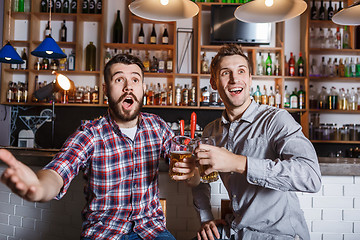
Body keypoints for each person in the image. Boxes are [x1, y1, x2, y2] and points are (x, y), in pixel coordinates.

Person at [0, 54, 193, 240]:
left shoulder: (157, 126)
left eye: (135, 80)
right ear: (105, 89)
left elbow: (189, 166)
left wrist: (195, 170)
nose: (128, 87)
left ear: (143, 88)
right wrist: (39, 187)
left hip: (152, 231)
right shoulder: (91, 133)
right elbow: (59, 170)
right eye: (119, 80)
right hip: (104, 233)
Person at [188, 44, 322, 240]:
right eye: (226, 73)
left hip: (279, 235)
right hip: (235, 231)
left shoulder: (276, 120)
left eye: (241, 71)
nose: (235, 79)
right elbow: (200, 179)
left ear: (250, 79)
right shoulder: (212, 131)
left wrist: (238, 162)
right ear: (214, 83)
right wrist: (206, 217)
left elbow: (310, 177)